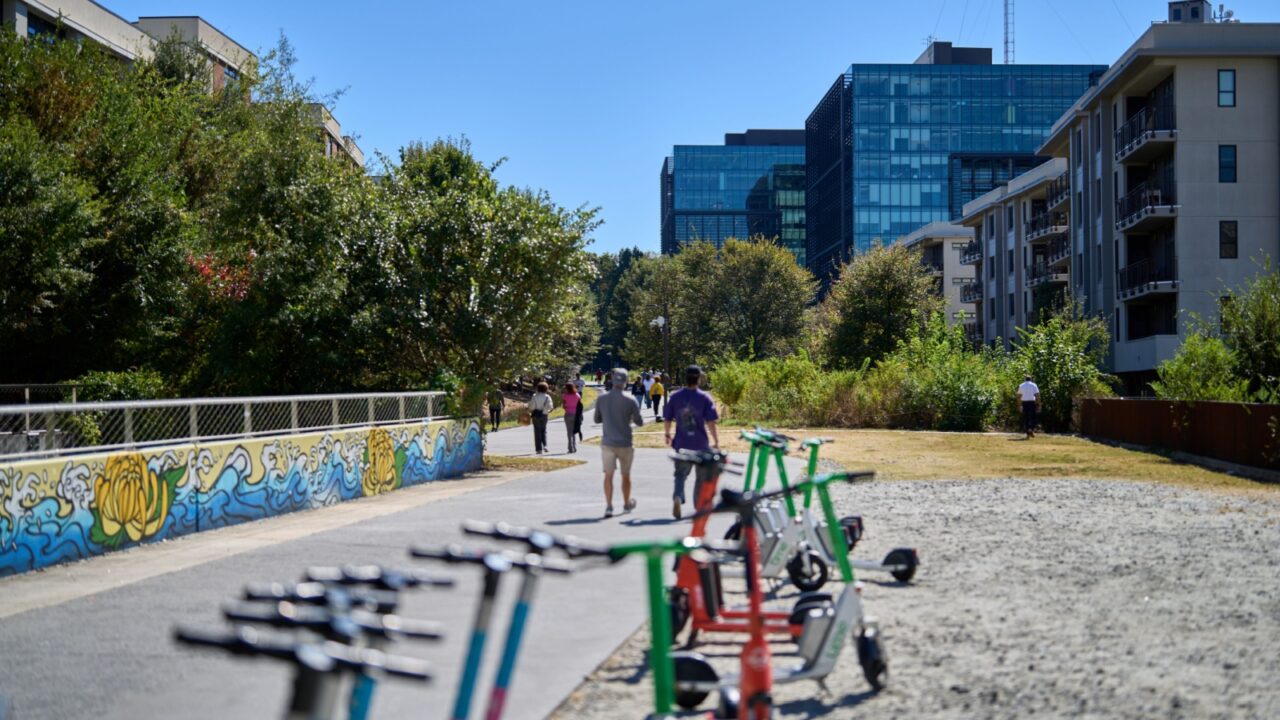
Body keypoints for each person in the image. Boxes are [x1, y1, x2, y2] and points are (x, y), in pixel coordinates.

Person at [664, 365, 719, 519]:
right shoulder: (704, 398)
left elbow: (668, 418)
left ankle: (677, 496)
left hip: (682, 442)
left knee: (680, 474)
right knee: (701, 478)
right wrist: (716, 440)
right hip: (700, 443)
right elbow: (711, 422)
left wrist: (667, 434)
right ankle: (698, 506)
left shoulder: (675, 396)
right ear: (699, 378)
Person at [595, 368, 644, 518]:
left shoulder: (602, 399)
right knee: (625, 475)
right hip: (625, 442)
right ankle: (626, 503)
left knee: (608, 475)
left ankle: (609, 506)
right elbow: (639, 421)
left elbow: (597, 419)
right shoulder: (630, 400)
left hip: (608, 441)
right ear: (626, 382)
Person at [528, 381, 554, 454]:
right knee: (544, 430)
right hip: (544, 414)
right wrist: (547, 410)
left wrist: (531, 410)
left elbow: (531, 407)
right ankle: (545, 445)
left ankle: (538, 449)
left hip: (536, 415)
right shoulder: (547, 397)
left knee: (537, 431)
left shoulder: (534, 396)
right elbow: (550, 407)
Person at [561, 382, 581, 453]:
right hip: (575, 415)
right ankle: (574, 446)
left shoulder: (565, 396)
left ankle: (570, 447)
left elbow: (563, 405)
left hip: (568, 414)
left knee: (569, 432)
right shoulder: (577, 395)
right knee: (574, 431)